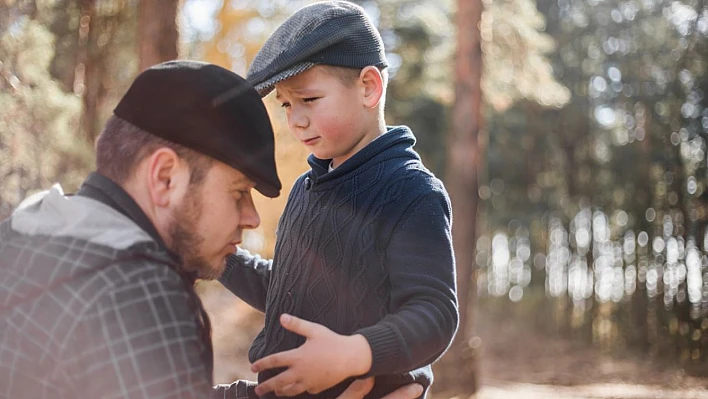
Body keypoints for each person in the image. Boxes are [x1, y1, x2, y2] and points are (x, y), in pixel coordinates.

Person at [0, 60, 417, 399]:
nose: (251, 217)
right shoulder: (140, 295)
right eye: (238, 192)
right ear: (165, 177)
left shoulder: (28, 238)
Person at [219, 2, 459, 398]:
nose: (295, 120)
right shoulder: (306, 189)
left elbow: (434, 314)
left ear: (369, 87)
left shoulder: (411, 191)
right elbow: (285, 292)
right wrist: (215, 256)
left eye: (309, 100)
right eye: (286, 105)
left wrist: (353, 354)